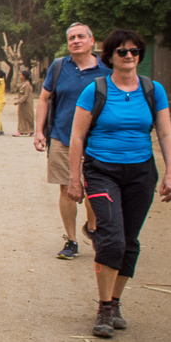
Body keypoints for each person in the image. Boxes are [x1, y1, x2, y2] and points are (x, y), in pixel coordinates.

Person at [66, 28, 171, 337]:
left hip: (141, 172)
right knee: (111, 238)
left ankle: (115, 302)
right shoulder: (95, 90)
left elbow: (165, 133)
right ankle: (103, 307)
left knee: (129, 241)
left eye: (134, 51)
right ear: (111, 57)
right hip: (102, 170)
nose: (129, 56)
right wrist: (74, 178)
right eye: (122, 52)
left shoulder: (153, 90)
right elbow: (77, 136)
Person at [33, 23, 110, 260]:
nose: (75, 41)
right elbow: (45, 99)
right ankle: (71, 240)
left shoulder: (106, 71)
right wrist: (39, 131)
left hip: (97, 142)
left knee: (92, 189)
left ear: (91, 40)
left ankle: (94, 227)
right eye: (71, 38)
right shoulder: (58, 67)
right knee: (66, 189)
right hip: (63, 138)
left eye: (80, 37)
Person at [15, 68, 36, 136]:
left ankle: (30, 130)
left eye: (21, 75)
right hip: (22, 104)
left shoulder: (27, 85)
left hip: (27, 104)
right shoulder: (23, 84)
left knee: (28, 117)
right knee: (21, 117)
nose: (20, 76)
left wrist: (18, 101)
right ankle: (22, 130)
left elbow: (26, 95)